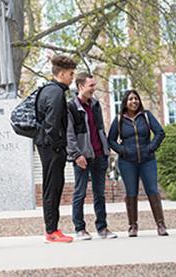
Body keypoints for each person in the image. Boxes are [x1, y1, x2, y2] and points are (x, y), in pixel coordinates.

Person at [108, 89, 168, 237]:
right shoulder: (119, 119)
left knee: (153, 191)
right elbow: (111, 140)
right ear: (125, 103)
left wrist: (150, 148)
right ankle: (133, 226)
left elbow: (160, 133)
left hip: (148, 161)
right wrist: (123, 150)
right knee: (131, 193)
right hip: (127, 162)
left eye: (136, 99)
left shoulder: (146, 116)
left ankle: (161, 225)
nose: (134, 101)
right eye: (130, 99)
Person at [67, 73, 117, 240]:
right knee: (80, 193)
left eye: (94, 85)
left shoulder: (95, 104)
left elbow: (100, 128)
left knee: (100, 193)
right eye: (91, 86)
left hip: (99, 155)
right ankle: (79, 229)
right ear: (81, 87)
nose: (94, 89)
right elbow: (69, 134)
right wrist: (76, 154)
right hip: (82, 157)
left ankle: (102, 228)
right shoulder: (71, 107)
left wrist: (105, 149)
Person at [34, 55, 77, 243]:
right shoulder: (56, 93)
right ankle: (51, 231)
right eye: (70, 73)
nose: (72, 77)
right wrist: (59, 145)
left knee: (52, 188)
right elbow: (52, 123)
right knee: (53, 188)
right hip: (52, 148)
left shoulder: (48, 90)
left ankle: (52, 229)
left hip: (46, 145)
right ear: (61, 73)